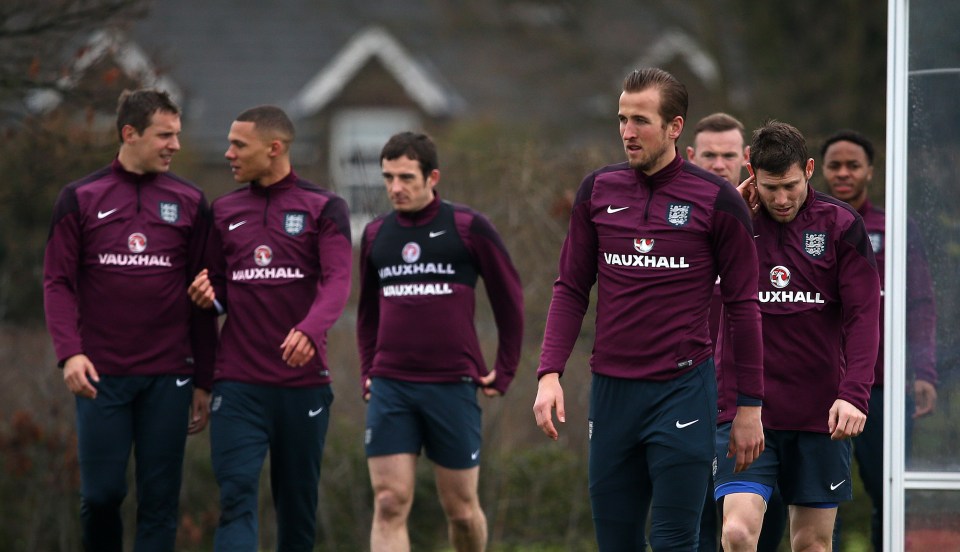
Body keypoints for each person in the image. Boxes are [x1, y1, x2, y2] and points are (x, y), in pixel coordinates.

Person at [532, 67, 765, 551]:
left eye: (640, 120)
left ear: (675, 127)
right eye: (621, 119)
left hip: (682, 391)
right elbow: (571, 287)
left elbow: (744, 308)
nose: (627, 132)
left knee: (674, 540)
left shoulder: (718, 200)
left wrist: (749, 407)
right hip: (612, 393)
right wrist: (549, 372)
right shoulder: (597, 191)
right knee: (616, 541)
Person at [43, 88, 216, 551]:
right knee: (102, 496)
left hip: (169, 376)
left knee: (159, 504)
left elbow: (203, 298)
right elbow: (57, 282)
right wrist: (70, 354)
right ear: (129, 133)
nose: (175, 145)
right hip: (102, 374)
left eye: (177, 135)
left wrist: (204, 378)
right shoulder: (79, 198)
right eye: (164, 135)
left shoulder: (191, 201)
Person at [187, 105, 352, 551]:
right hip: (237, 386)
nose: (228, 154)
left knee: (297, 510)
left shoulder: (324, 207)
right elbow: (217, 288)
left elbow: (338, 281)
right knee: (236, 498)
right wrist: (209, 295)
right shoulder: (223, 211)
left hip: (303, 385)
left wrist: (310, 329)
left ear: (274, 148)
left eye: (239, 145)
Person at [715, 120, 881, 552]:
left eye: (790, 185)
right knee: (736, 533)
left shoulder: (842, 226)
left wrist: (854, 393)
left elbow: (864, 316)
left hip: (819, 414)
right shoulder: (732, 222)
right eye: (770, 188)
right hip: (747, 411)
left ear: (809, 169)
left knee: (812, 544)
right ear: (752, 173)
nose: (782, 198)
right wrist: (733, 204)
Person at [357, 131, 524, 551]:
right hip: (391, 386)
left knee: (462, 511)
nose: (395, 188)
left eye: (406, 177)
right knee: (390, 502)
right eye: (388, 177)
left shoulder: (469, 227)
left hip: (452, 385)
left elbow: (511, 302)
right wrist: (367, 371)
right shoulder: (376, 234)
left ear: (432, 177)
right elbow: (367, 315)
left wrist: (504, 370)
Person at [821, 129, 938, 551]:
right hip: (823, 387)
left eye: (854, 165)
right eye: (836, 165)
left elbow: (920, 302)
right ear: (821, 170)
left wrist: (923, 372)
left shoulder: (895, 227)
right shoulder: (811, 225)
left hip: (884, 388)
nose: (844, 173)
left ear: (870, 170)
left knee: (887, 495)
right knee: (820, 497)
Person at [687, 113, 787, 552]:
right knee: (691, 521)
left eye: (729, 155)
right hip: (686, 389)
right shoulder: (678, 223)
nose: (718, 164)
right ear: (690, 156)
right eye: (709, 155)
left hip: (749, 397)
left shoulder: (769, 222)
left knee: (757, 523)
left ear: (745, 160)